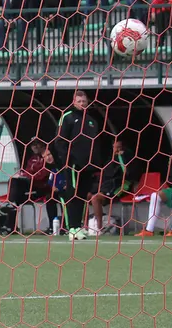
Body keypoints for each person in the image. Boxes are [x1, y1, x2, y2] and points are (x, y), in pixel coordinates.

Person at [55, 90, 102, 241]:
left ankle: (79, 226)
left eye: (84, 101)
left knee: (82, 195)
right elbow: (60, 141)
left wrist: (95, 162)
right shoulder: (68, 117)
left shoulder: (92, 121)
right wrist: (68, 161)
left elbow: (95, 144)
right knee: (73, 194)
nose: (82, 104)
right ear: (74, 102)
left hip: (88, 166)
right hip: (73, 165)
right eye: (79, 101)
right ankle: (72, 228)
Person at [1, 140, 56, 235]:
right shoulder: (32, 159)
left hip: (42, 188)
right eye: (32, 145)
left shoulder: (49, 162)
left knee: (16, 190)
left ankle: (9, 221)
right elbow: (27, 172)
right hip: (31, 187)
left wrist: (28, 175)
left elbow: (41, 176)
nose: (34, 147)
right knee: (15, 189)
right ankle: (10, 226)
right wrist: (25, 175)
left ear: (43, 145)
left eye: (36, 144)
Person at [89, 139, 135, 236]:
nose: (117, 150)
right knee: (87, 195)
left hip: (120, 189)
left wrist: (121, 157)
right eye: (115, 147)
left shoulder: (127, 159)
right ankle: (84, 226)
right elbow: (105, 177)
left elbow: (127, 174)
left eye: (119, 147)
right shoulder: (110, 161)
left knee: (95, 198)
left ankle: (99, 228)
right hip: (106, 188)